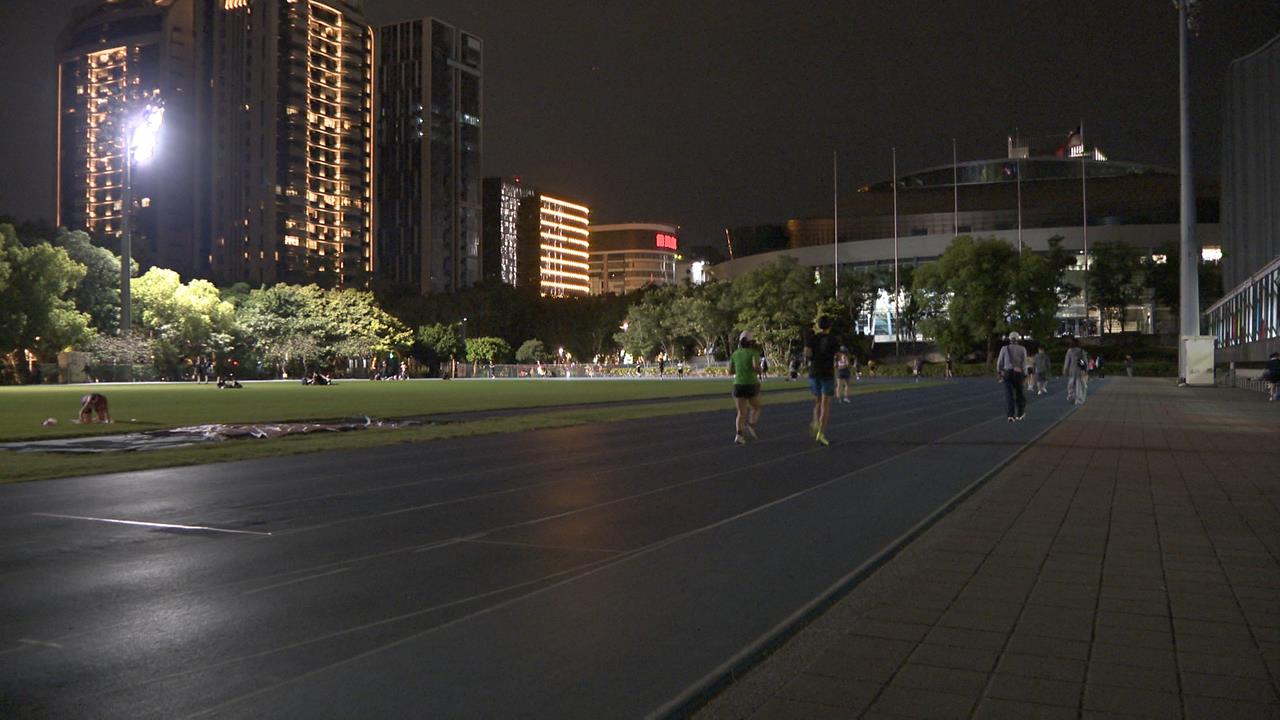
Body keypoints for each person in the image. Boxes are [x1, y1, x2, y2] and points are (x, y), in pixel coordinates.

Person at [805, 315, 840, 446]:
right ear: (829, 326)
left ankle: (815, 420)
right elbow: (837, 356)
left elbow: (807, 354)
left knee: (818, 401)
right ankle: (821, 433)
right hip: (827, 373)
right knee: (826, 405)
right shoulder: (833, 339)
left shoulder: (812, 338)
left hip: (814, 372)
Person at [729, 331, 763, 444]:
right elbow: (755, 366)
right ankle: (751, 425)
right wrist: (759, 371)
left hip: (738, 384)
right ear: (751, 342)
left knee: (741, 413)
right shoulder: (754, 353)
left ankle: (739, 435)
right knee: (756, 408)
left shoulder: (735, 354)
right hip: (751, 384)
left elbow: (730, 371)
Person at [997, 332, 1028, 421]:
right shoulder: (1022, 349)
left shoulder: (1004, 349)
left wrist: (999, 371)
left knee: (1009, 394)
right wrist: (1025, 374)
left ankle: (1010, 415)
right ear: (1017, 339)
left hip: (1007, 373)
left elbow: (1000, 362)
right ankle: (1020, 414)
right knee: (1019, 394)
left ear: (1009, 339)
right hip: (1018, 373)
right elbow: (1024, 363)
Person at [1063, 337, 1088, 405]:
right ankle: (1079, 399)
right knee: (1079, 385)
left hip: (1072, 370)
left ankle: (1072, 396)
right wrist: (1086, 370)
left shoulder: (1069, 351)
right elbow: (1085, 361)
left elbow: (1067, 362)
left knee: (1071, 385)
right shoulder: (1081, 351)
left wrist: (1065, 370)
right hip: (1079, 371)